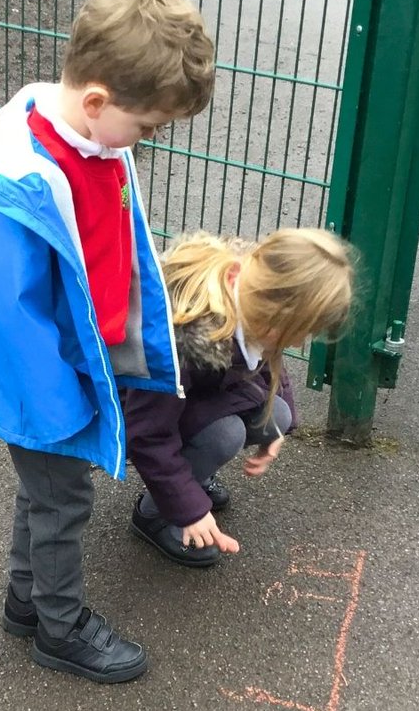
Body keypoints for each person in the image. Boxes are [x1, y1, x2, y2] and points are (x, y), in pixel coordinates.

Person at [0, 0, 216, 685]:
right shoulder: (22, 185)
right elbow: (15, 318)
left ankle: (25, 602)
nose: (151, 138)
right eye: (150, 125)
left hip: (84, 362)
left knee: (46, 495)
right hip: (50, 384)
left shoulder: (98, 142)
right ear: (99, 100)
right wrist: (59, 409)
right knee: (64, 500)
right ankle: (61, 629)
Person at [123, 228, 356, 566]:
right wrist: (190, 512)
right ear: (272, 309)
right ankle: (154, 513)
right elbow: (145, 434)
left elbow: (266, 357)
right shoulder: (179, 336)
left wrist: (278, 427)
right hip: (140, 410)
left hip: (192, 397)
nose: (296, 344)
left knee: (276, 416)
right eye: (295, 333)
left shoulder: (251, 298)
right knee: (225, 434)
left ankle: (191, 479)